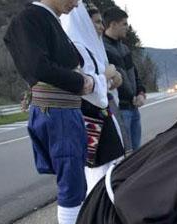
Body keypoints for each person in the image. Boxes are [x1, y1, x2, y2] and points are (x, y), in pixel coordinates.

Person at [4, 0, 94, 224]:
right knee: (71, 186)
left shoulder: (46, 19)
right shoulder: (29, 19)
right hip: (58, 111)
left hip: (64, 111)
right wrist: (79, 82)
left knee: (75, 181)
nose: (76, 4)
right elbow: (37, 66)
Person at [61, 1, 125, 195]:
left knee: (113, 166)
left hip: (103, 114)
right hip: (91, 117)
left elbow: (116, 79)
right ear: (83, 23)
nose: (101, 27)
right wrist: (106, 76)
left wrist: (109, 76)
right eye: (96, 22)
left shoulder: (94, 47)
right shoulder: (77, 47)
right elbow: (90, 86)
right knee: (99, 173)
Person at [103, 7, 146, 151]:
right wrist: (129, 96)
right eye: (124, 24)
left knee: (137, 153)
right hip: (120, 109)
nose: (127, 27)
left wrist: (140, 93)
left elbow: (134, 74)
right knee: (125, 154)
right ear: (113, 24)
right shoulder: (102, 49)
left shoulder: (125, 49)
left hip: (133, 107)